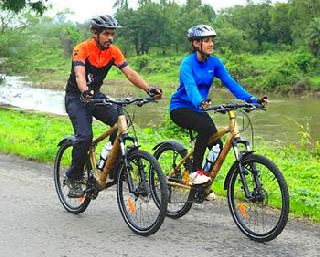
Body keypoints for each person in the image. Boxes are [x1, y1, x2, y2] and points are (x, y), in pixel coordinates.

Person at [64, 15, 161, 197]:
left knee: (120, 120)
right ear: (95, 33)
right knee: (85, 136)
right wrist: (84, 90)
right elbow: (79, 74)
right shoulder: (82, 49)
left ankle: (114, 166)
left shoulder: (113, 51)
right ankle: (74, 177)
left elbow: (130, 73)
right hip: (77, 97)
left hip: (96, 96)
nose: (110, 38)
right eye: (106, 34)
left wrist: (148, 89)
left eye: (112, 34)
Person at [169, 25, 267, 200]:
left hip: (199, 108)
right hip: (181, 108)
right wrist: (200, 101)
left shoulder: (215, 63)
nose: (211, 43)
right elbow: (190, 87)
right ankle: (195, 172)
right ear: (196, 43)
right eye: (207, 40)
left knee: (217, 146)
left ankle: (202, 186)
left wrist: (251, 100)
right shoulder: (187, 63)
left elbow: (231, 83)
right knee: (205, 129)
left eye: (212, 40)